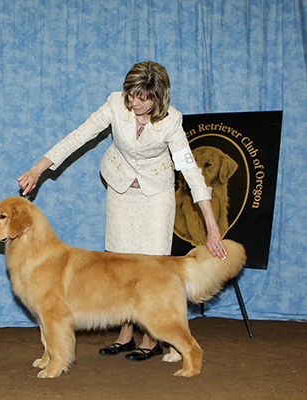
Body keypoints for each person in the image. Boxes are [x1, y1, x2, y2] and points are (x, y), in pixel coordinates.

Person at [18, 61, 227, 363]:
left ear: (159, 97)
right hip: (120, 190)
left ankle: (152, 338)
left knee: (152, 269)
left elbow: (191, 171)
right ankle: (125, 334)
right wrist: (39, 168)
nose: (135, 103)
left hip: (156, 195)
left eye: (144, 98)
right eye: (132, 95)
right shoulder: (116, 104)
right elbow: (80, 135)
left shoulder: (172, 121)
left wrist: (212, 227)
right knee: (117, 267)